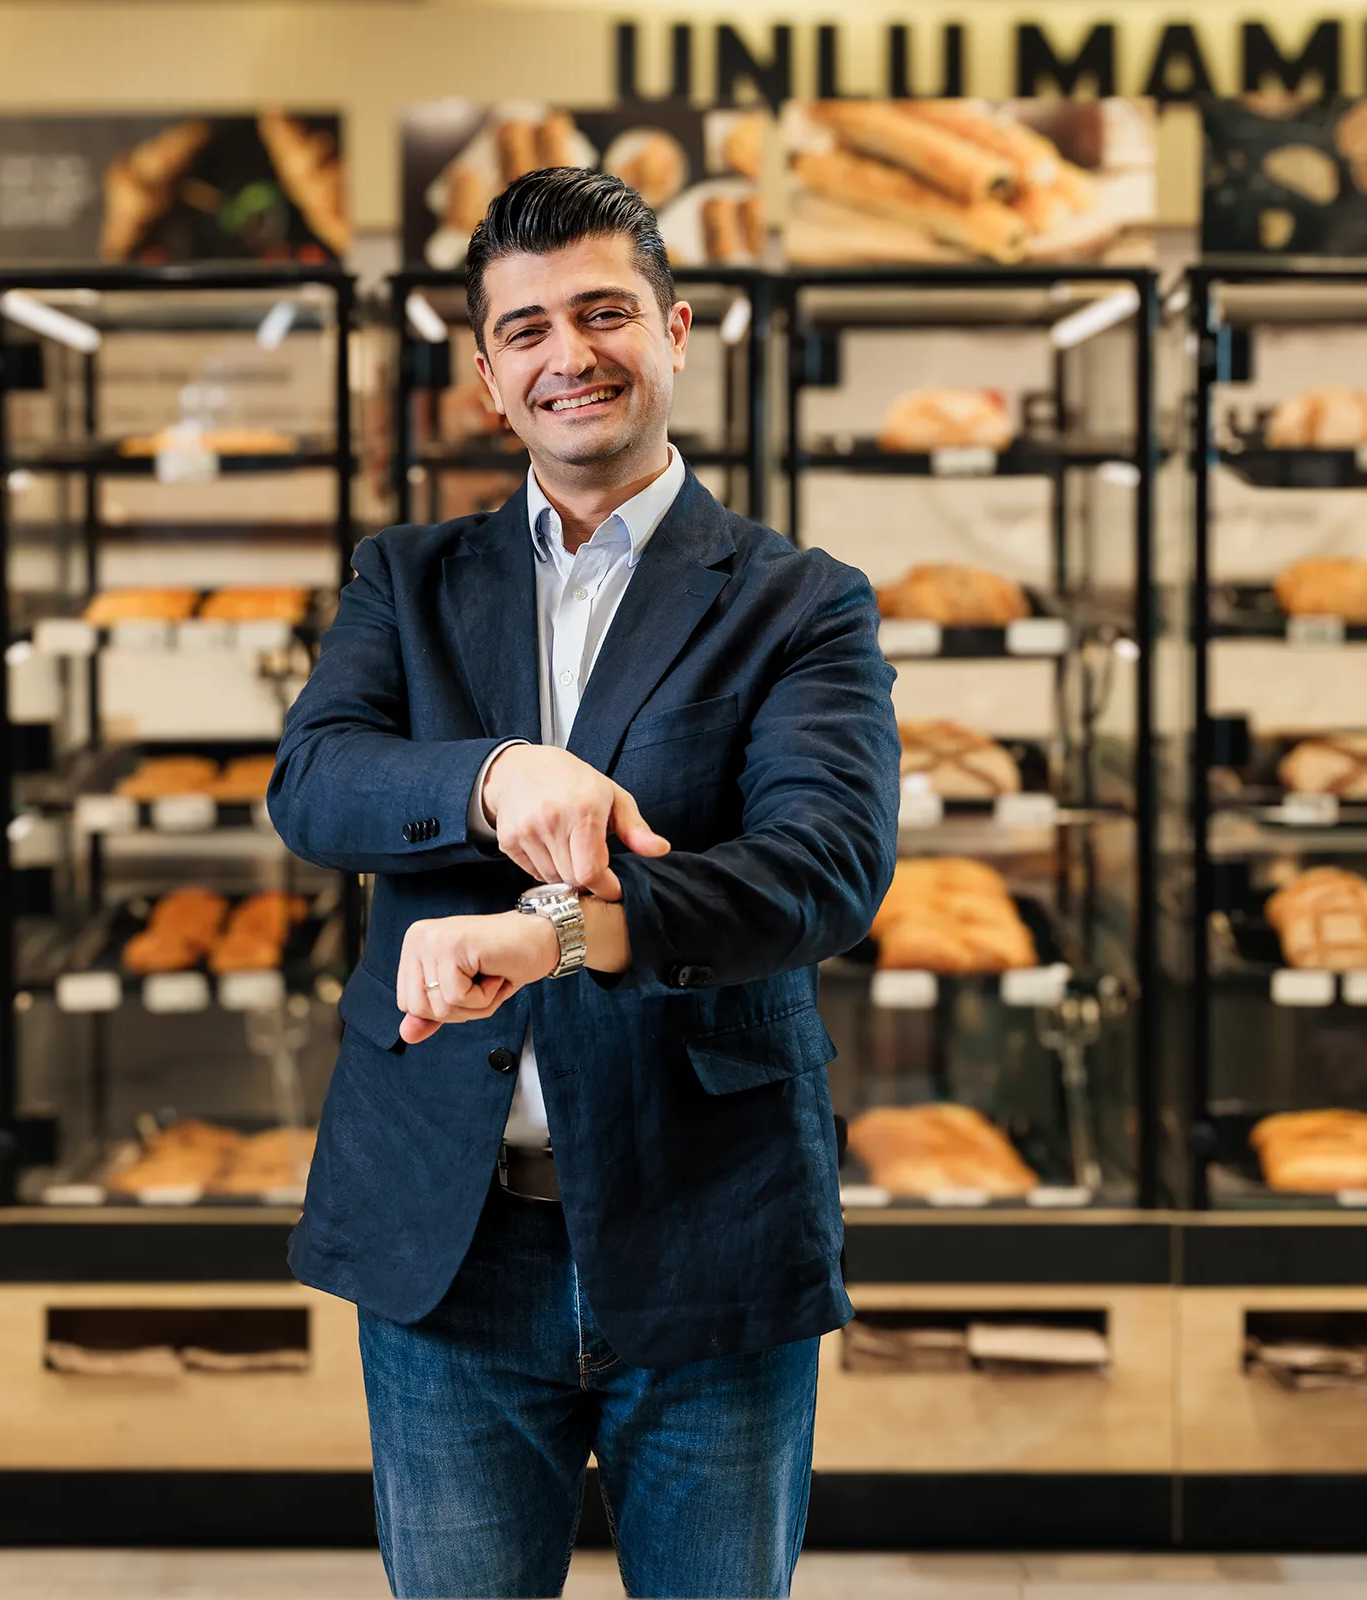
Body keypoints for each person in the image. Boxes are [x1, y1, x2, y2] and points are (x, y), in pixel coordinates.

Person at [266, 166, 899, 1600]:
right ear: (489, 376)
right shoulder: (407, 580)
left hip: (707, 1222)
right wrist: (495, 776)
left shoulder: (801, 600)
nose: (572, 356)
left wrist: (554, 928)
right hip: (452, 1235)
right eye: (529, 329)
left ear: (675, 332)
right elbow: (316, 781)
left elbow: (822, 872)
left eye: (605, 313)